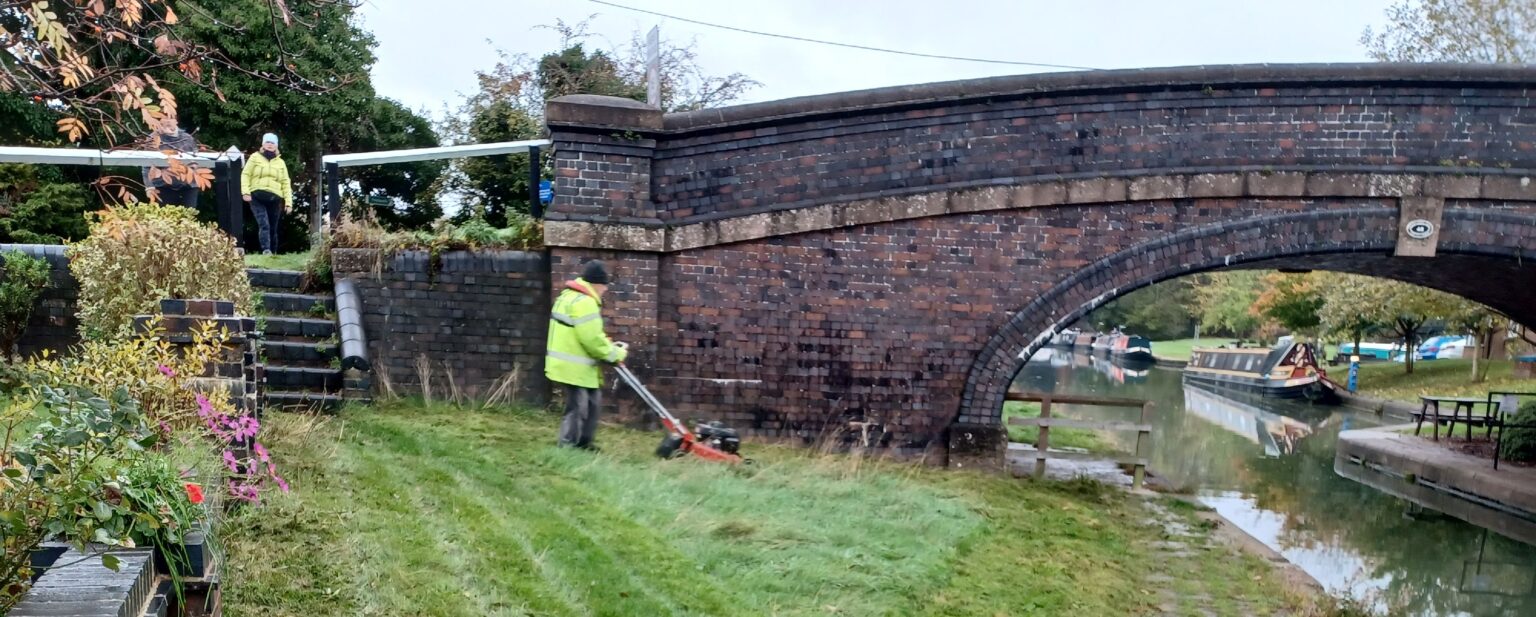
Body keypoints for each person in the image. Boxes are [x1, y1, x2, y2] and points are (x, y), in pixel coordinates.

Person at [546, 260, 629, 450]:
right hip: (574, 366)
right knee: (578, 408)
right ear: (596, 284)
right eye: (604, 287)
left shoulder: (568, 297)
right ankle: (568, 445)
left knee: (593, 403)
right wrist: (616, 353)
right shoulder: (585, 303)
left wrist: (605, 344)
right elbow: (592, 341)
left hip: (574, 365)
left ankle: (584, 442)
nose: (605, 291)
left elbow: (588, 335)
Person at [240, 133, 293, 255]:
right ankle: (266, 250)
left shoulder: (281, 163)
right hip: (256, 196)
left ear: (276, 146)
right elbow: (245, 174)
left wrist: (289, 203)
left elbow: (285, 182)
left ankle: (273, 254)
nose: (270, 144)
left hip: (275, 198)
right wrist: (245, 192)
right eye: (267, 142)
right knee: (264, 224)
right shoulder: (255, 157)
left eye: (272, 142)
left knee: (273, 227)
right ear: (263, 144)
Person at [142, 114, 201, 207]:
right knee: (166, 219)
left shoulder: (187, 138)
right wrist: (149, 187)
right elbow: (146, 165)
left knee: (189, 217)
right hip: (163, 186)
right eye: (164, 118)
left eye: (171, 118)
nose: (168, 121)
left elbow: (196, 162)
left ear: (176, 121)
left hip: (188, 187)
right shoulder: (153, 139)